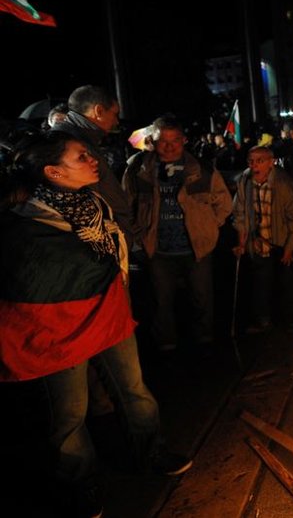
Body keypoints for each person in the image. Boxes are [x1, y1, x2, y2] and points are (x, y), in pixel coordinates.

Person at [0, 132, 191, 518]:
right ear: (53, 172)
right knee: (70, 412)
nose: (93, 161)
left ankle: (150, 451)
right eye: (81, 157)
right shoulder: (27, 224)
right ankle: (79, 481)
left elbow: (111, 249)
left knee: (134, 388)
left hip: (108, 313)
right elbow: (31, 281)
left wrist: (113, 283)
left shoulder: (94, 201)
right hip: (60, 329)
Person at [123, 116, 233, 351]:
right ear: (152, 141)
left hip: (197, 247)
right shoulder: (137, 171)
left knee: (202, 298)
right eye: (163, 141)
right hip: (157, 249)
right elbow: (125, 207)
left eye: (175, 140)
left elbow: (223, 203)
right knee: (161, 301)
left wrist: (208, 226)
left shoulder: (202, 169)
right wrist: (139, 235)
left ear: (183, 140)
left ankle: (204, 342)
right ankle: (166, 344)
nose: (170, 146)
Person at [52, 85, 135, 246]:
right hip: (99, 243)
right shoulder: (71, 144)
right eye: (115, 114)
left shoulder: (79, 138)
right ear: (98, 111)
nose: (116, 121)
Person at [232, 146, 293, 331]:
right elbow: (239, 214)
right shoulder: (244, 182)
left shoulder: (282, 183)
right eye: (251, 161)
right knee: (260, 282)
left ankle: (290, 322)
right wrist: (241, 243)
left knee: (284, 281)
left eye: (259, 161)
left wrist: (289, 248)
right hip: (257, 242)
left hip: (279, 240)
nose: (254, 165)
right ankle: (264, 320)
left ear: (271, 162)